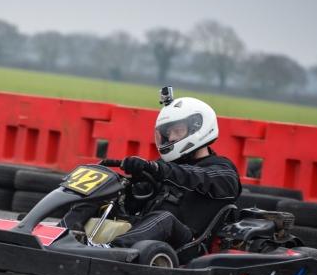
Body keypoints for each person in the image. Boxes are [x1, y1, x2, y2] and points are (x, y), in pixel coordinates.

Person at [59, 95, 241, 249]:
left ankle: (113, 250)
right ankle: (61, 234)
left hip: (188, 244)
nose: (171, 138)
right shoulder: (165, 167)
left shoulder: (223, 170)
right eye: (167, 133)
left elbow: (192, 175)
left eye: (177, 131)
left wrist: (155, 168)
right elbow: (134, 202)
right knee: (102, 192)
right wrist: (130, 184)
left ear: (197, 129)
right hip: (145, 233)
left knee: (164, 218)